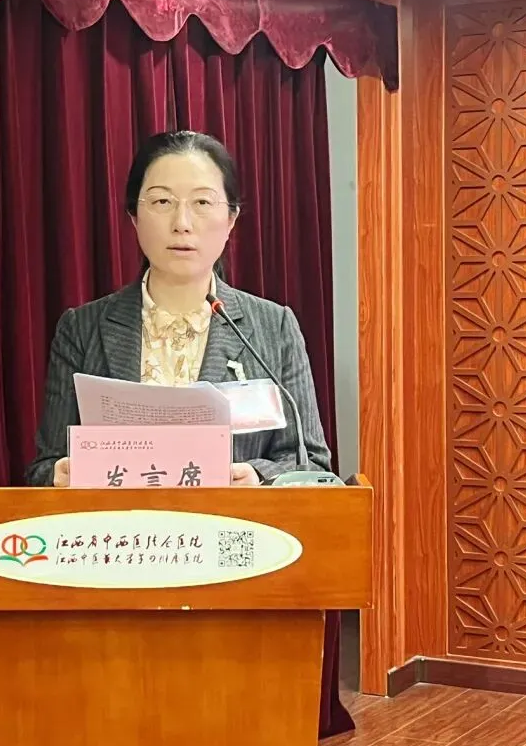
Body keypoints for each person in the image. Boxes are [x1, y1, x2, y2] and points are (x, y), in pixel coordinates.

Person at [24, 130, 333, 487]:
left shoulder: (273, 327)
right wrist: (59, 473)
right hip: (125, 523)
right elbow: (43, 469)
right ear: (134, 216)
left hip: (233, 521)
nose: (182, 224)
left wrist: (258, 478)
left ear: (231, 219)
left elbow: (311, 464)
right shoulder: (82, 329)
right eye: (162, 202)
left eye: (202, 202)